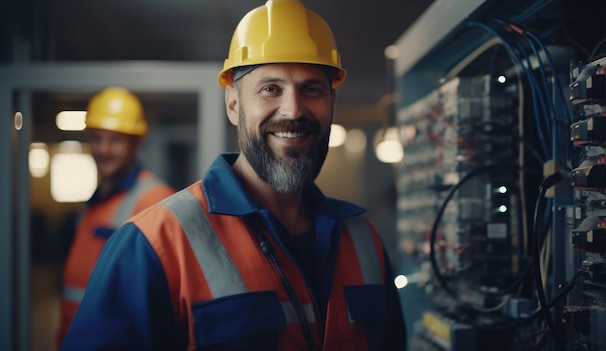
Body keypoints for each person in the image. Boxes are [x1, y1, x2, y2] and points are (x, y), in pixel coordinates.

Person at [61, 0, 406, 350]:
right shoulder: (153, 244)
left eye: (311, 89)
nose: (293, 109)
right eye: (270, 88)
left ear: (331, 104)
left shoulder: (364, 240)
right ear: (233, 104)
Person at [57, 86, 176, 345]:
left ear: (136, 142)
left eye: (115, 140)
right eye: (97, 138)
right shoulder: (95, 201)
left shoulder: (154, 200)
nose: (103, 149)